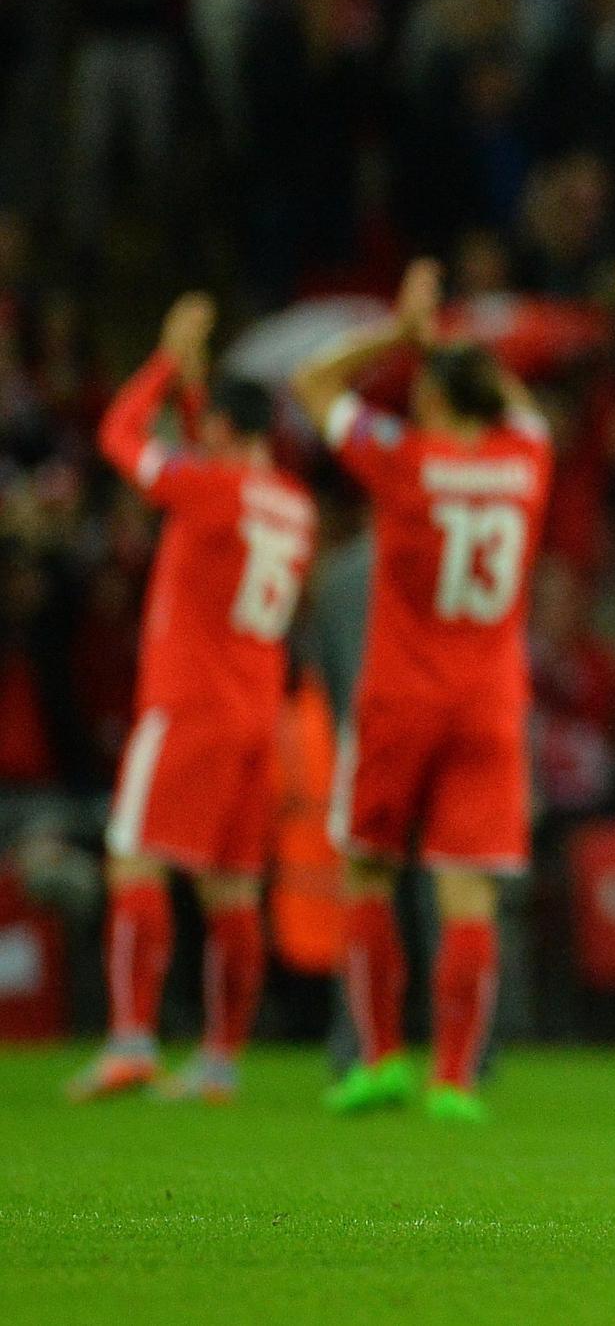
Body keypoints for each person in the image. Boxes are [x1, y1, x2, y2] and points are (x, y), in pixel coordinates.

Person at [293, 261, 553, 1123]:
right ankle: (453, 1078)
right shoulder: (527, 460)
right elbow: (518, 406)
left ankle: (376, 1060)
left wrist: (401, 336)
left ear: (434, 403)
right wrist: (456, 350)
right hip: (489, 705)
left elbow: (312, 381)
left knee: (368, 873)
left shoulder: (403, 458)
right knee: (469, 894)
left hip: (400, 700)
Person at [68, 295, 314, 1104]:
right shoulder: (294, 504)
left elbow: (119, 436)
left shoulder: (210, 489)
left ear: (217, 433)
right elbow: (206, 441)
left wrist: (165, 368)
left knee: (133, 861)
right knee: (231, 891)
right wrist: (196, 384)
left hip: (189, 707)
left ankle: (133, 1040)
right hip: (256, 717)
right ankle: (218, 1062)